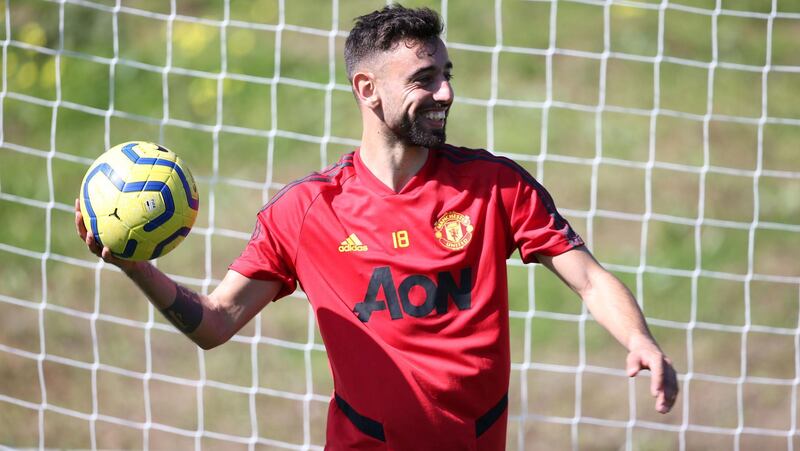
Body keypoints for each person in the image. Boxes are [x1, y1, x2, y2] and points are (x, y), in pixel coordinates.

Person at [75, 4, 678, 449]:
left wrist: (639, 339)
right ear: (367, 89)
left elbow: (592, 280)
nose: (445, 91)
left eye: (447, 73)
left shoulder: (495, 186)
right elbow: (216, 323)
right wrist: (135, 265)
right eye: (423, 79)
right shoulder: (307, 210)